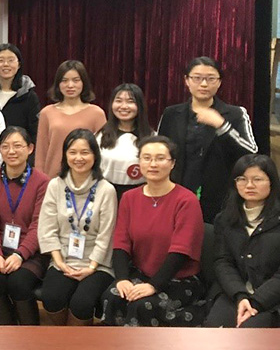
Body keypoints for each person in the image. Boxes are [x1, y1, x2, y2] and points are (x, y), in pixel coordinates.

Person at [102, 136, 205, 327]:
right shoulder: (129, 198)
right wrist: (122, 279)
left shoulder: (186, 200)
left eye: (160, 158)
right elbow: (121, 242)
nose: (153, 164)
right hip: (141, 274)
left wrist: (153, 285)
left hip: (177, 278)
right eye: (147, 158)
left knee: (142, 305)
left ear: (172, 163)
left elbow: (180, 250)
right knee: (113, 296)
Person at [157, 56, 257, 222]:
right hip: (176, 191)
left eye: (211, 79)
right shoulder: (171, 114)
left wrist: (222, 126)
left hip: (219, 197)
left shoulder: (235, 113)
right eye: (197, 78)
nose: (203, 84)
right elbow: (158, 151)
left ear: (219, 82)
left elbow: (250, 153)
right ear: (187, 80)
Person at [37, 130, 117, 326]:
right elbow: (47, 229)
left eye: (85, 152)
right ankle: (63, 339)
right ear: (65, 155)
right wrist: (60, 262)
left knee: (82, 303)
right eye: (72, 152)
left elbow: (106, 235)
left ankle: (79, 343)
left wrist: (91, 268)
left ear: (95, 156)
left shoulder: (106, 189)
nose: (78, 158)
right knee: (51, 297)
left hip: (98, 264)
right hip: (63, 259)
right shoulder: (55, 185)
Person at [0, 126, 50, 325]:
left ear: (30, 148)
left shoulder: (43, 182)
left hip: (31, 251)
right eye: (5, 146)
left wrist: (20, 254)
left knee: (19, 282)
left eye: (17, 146)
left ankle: (29, 333)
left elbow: (39, 224)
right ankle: (6, 332)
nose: (11, 151)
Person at [206, 154, 280, 328]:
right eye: (242, 179)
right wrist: (240, 295)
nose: (249, 185)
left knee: (251, 331)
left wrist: (256, 301)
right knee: (214, 329)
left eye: (257, 179)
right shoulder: (224, 219)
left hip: (272, 297)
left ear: (272, 182)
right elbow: (222, 262)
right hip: (234, 293)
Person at [35, 60, 106, 178]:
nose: (70, 85)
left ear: (84, 83)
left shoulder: (97, 113)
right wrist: (40, 179)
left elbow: (103, 152)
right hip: (53, 179)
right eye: (64, 80)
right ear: (58, 84)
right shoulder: (47, 113)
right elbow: (41, 153)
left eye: (76, 80)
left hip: (87, 179)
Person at [97, 84, 153, 198]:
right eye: (118, 101)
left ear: (139, 105)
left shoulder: (151, 137)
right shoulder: (100, 136)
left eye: (130, 101)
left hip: (141, 194)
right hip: (106, 193)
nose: (124, 106)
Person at [0, 44, 40, 142]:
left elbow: (35, 132)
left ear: (19, 64)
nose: (6, 64)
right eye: (1, 60)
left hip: (18, 149)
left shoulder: (29, 96)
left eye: (11, 60)